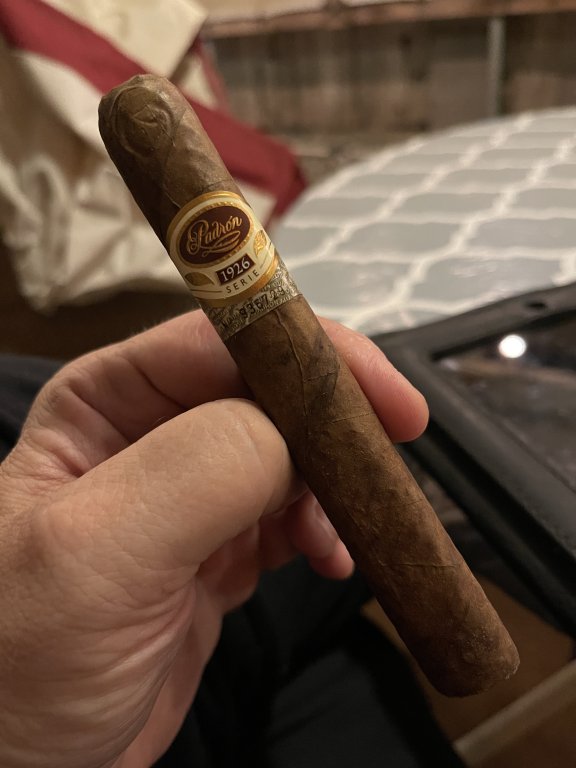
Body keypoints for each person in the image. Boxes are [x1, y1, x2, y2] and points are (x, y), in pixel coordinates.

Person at [0, 310, 464, 768]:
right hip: (175, 684)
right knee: (342, 562)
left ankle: (434, 490)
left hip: (190, 636)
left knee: (341, 590)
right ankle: (439, 487)